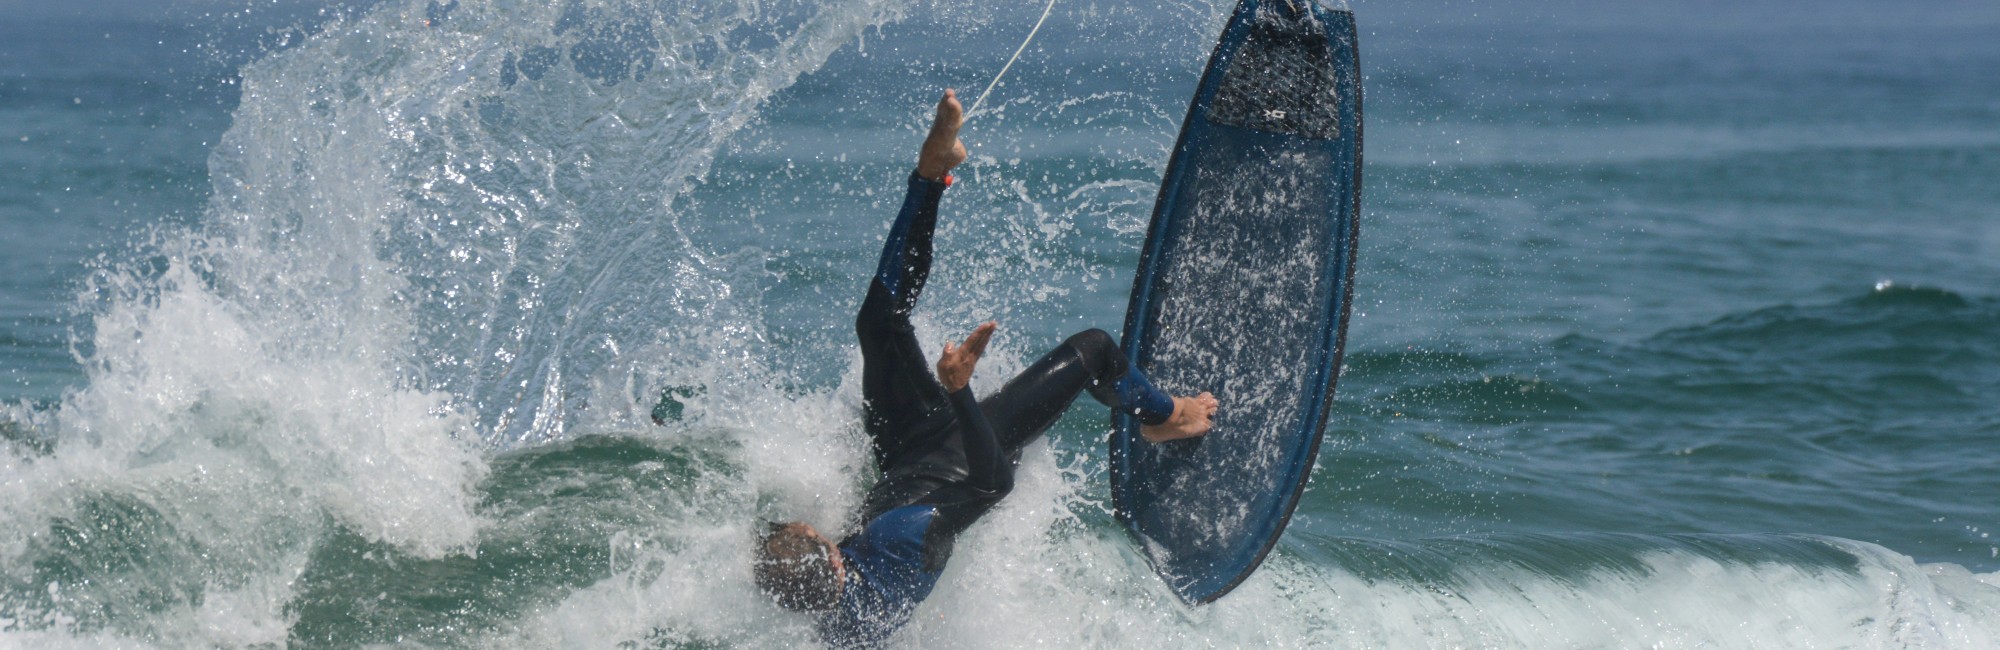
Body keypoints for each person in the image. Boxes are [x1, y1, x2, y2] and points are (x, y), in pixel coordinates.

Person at [754, 89, 1219, 648]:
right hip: (962, 461)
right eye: (815, 535)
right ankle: (1170, 417)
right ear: (832, 562)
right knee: (1095, 350)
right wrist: (959, 392)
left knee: (878, 325)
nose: (815, 528)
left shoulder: (838, 623)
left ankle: (931, 174)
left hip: (903, 455)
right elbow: (992, 484)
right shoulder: (908, 536)